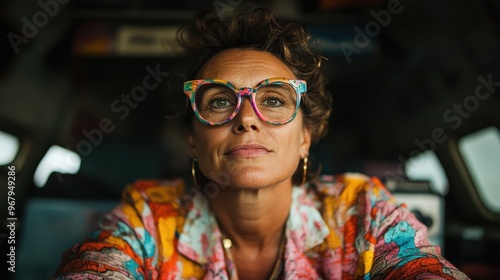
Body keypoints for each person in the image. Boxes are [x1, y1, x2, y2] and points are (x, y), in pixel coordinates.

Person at [54, 7, 469, 280]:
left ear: (305, 136)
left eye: (273, 100)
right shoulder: (148, 217)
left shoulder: (362, 212)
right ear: (192, 141)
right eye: (220, 101)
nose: (247, 118)